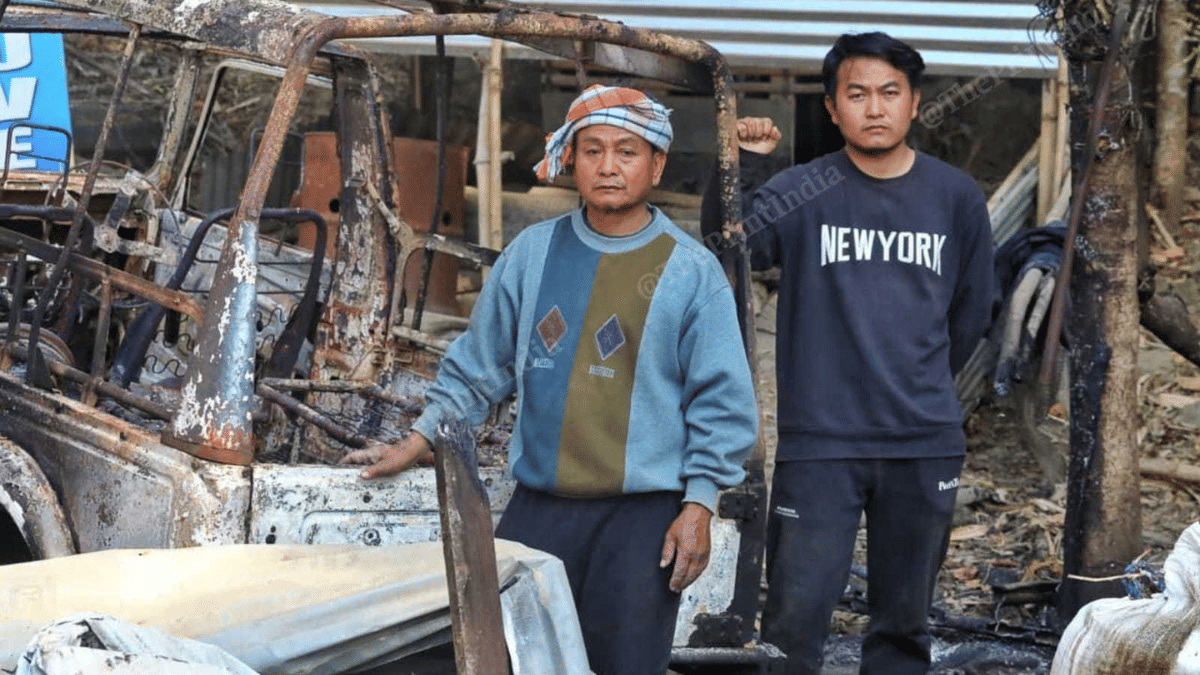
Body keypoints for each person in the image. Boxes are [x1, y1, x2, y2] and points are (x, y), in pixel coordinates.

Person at [344, 84, 759, 675]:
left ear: (657, 164)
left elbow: (722, 405)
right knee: (511, 658)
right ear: (571, 158)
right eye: (592, 151)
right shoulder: (532, 254)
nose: (608, 167)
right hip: (541, 508)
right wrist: (420, 439)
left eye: (627, 151)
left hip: (643, 516)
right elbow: (480, 364)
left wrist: (699, 506)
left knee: (623, 665)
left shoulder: (691, 272)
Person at [701, 32, 993, 675]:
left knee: (903, 623)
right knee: (794, 619)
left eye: (890, 92)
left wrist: (924, 386)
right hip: (820, 442)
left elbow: (973, 312)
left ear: (915, 102)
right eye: (856, 94)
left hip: (923, 441)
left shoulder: (955, 196)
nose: (875, 107)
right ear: (833, 109)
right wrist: (744, 164)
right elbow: (731, 250)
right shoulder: (806, 189)